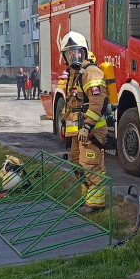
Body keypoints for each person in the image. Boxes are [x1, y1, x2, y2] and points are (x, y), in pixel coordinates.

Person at [59, 32, 107, 212]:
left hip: (91, 131)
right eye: (70, 53)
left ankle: (96, 205)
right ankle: (88, 199)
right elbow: (72, 104)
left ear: (84, 52)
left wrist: (87, 126)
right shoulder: (74, 73)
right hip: (77, 132)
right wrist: (65, 127)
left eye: (77, 52)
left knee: (92, 165)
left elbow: (97, 103)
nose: (74, 56)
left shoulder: (91, 72)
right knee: (77, 164)